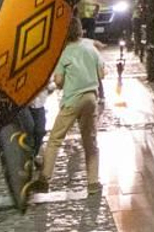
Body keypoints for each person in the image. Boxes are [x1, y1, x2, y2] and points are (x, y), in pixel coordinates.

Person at [37, 16, 106, 194]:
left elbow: (59, 81)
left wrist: (64, 80)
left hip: (72, 100)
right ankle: (93, 183)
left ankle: (45, 179)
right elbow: (101, 73)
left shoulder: (64, 52)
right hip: (91, 98)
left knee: (55, 139)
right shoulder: (91, 48)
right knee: (90, 141)